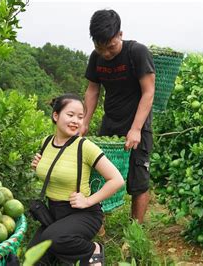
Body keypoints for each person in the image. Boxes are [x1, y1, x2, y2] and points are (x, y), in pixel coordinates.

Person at [29, 93, 125, 265]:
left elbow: (117, 180)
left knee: (54, 239)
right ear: (56, 115)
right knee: (33, 257)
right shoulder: (46, 142)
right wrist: (38, 167)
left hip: (82, 213)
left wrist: (88, 201)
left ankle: (93, 250)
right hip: (54, 212)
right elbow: (56, 171)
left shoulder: (84, 146)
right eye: (70, 115)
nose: (76, 121)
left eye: (80, 117)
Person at [80, 9, 156, 224]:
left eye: (110, 46)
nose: (106, 53)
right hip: (110, 124)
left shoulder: (137, 52)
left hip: (137, 124)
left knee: (138, 181)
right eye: (100, 47)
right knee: (101, 176)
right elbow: (93, 89)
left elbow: (149, 92)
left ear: (120, 35)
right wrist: (85, 120)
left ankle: (135, 231)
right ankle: (98, 224)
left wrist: (136, 129)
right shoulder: (96, 58)